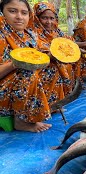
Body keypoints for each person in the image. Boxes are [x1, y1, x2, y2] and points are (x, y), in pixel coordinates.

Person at [0, 0, 52, 132]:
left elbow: (42, 53)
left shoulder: (30, 36)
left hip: (15, 83)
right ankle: (21, 121)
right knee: (27, 71)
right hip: (3, 87)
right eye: (12, 11)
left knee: (51, 69)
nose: (19, 17)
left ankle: (42, 108)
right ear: (2, 12)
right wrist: (15, 64)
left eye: (24, 13)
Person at [31, 2, 75, 100]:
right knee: (55, 68)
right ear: (37, 18)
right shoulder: (32, 33)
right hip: (42, 64)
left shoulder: (56, 30)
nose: (49, 22)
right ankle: (51, 102)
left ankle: (66, 93)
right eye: (44, 18)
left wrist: (84, 45)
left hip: (57, 58)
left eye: (52, 18)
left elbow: (68, 42)